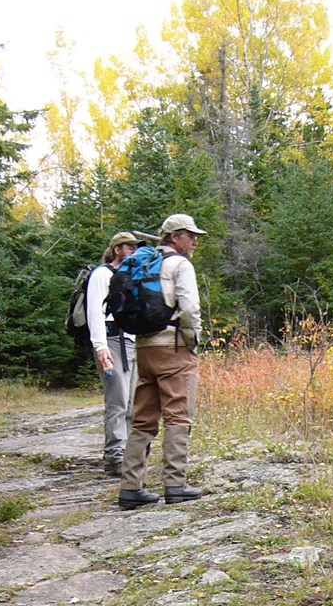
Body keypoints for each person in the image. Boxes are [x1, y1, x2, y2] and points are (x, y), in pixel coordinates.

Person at [118, 213, 206, 510]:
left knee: (143, 417)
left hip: (144, 349)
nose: (194, 240)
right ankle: (175, 484)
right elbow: (190, 309)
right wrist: (192, 343)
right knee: (178, 415)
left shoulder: (142, 264)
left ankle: (130, 487)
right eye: (188, 234)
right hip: (174, 347)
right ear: (173, 237)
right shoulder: (180, 265)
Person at [87, 232, 144, 476]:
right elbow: (95, 312)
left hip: (130, 342)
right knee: (118, 401)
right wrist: (100, 346)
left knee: (133, 402)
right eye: (130, 246)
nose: (134, 250)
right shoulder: (102, 275)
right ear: (117, 249)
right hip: (111, 342)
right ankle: (114, 456)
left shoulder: (129, 276)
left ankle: (130, 456)